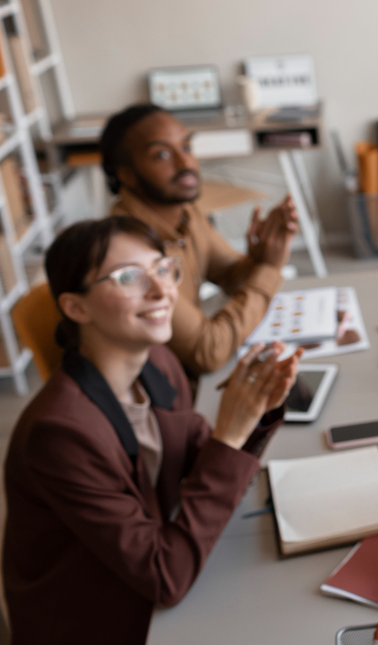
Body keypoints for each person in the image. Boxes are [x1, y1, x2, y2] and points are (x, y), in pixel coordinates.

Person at [3, 217, 302, 643]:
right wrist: (230, 436)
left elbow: (196, 455)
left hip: (143, 577)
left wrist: (254, 407)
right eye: (130, 278)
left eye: (163, 268)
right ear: (76, 307)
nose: (163, 290)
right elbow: (165, 577)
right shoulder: (58, 434)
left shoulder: (157, 362)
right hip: (96, 620)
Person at [101, 104, 300, 377]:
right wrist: (268, 269)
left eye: (186, 147)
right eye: (161, 155)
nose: (186, 164)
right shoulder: (130, 249)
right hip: (168, 395)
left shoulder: (185, 212)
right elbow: (208, 351)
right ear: (126, 175)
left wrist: (262, 256)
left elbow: (230, 275)